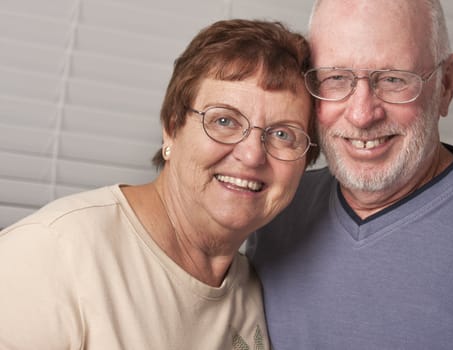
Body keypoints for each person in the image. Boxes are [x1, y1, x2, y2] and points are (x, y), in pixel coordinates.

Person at [0, 19, 319, 349]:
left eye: (283, 134)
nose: (252, 155)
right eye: (224, 120)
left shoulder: (255, 294)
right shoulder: (52, 254)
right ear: (172, 127)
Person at [246, 0, 453, 349]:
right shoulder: (275, 209)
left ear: (447, 84)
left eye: (393, 79)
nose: (363, 115)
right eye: (335, 78)